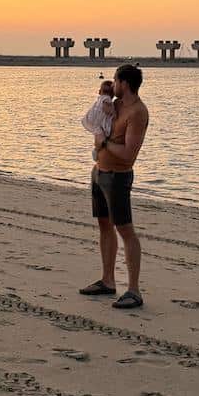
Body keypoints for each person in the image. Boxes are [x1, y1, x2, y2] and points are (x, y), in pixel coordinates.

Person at [80, 63, 149, 309]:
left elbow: (129, 154)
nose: (114, 83)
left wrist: (104, 142)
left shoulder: (137, 112)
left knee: (126, 230)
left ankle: (134, 291)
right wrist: (104, 95)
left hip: (118, 177)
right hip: (100, 172)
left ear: (125, 83)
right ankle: (108, 280)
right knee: (104, 225)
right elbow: (93, 119)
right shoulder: (116, 104)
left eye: (116, 80)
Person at [81, 79, 115, 160]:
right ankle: (96, 150)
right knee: (101, 136)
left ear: (100, 92)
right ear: (113, 94)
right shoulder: (107, 99)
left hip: (91, 119)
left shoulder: (100, 98)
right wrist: (113, 113)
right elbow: (107, 109)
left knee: (98, 134)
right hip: (96, 122)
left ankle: (97, 150)